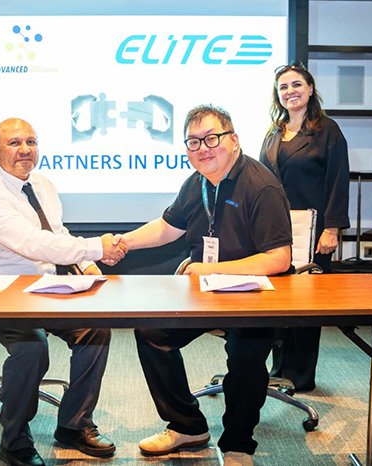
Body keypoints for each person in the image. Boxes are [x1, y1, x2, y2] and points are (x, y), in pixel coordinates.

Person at [116, 105, 293, 466]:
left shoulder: (262, 186)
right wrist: (122, 242)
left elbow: (279, 258)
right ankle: (187, 426)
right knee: (152, 332)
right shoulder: (197, 183)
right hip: (207, 294)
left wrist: (213, 271)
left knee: (245, 355)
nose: (203, 148)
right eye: (193, 142)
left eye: (212, 138)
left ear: (234, 140)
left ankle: (238, 445)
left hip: (256, 297)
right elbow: (167, 227)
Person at [0, 117, 126, 466]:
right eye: (14, 143)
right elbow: (33, 243)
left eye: (31, 142)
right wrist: (96, 247)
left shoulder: (42, 183)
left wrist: (86, 263)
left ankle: (74, 425)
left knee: (95, 329)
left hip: (44, 285)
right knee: (31, 347)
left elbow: (56, 233)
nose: (25, 150)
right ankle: (14, 441)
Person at [260, 62, 350, 392]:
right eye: (283, 87)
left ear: (310, 89)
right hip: (278, 231)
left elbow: (338, 180)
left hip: (314, 230)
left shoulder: (327, 130)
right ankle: (278, 369)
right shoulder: (274, 131)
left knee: (306, 302)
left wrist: (333, 229)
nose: (290, 91)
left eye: (296, 84)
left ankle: (301, 375)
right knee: (278, 301)